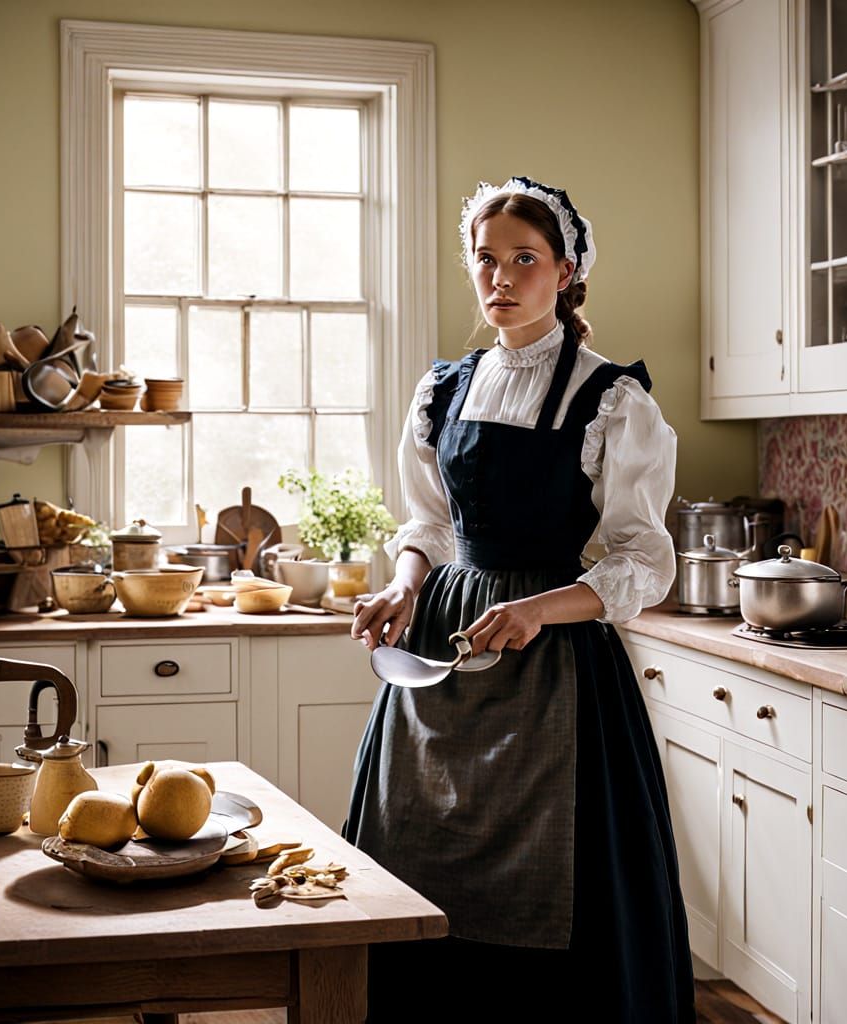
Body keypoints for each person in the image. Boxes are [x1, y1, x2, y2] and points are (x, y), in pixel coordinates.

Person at [343, 175, 695, 1023]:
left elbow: (644, 559)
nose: (500, 278)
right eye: (485, 259)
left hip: (556, 664)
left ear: (567, 273)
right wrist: (400, 584)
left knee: (554, 864)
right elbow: (427, 522)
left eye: (524, 260)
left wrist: (541, 608)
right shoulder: (443, 389)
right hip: (446, 649)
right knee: (414, 847)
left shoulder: (612, 399)